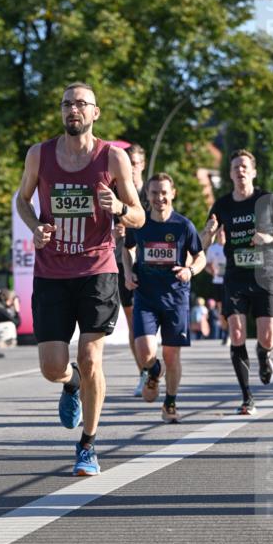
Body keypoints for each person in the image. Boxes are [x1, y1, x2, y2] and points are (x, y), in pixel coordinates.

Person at [16, 81, 144, 475]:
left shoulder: (113, 159)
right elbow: (22, 199)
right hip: (52, 272)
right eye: (67, 104)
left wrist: (120, 207)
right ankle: (69, 385)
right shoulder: (39, 154)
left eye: (82, 104)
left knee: (91, 357)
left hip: (97, 269)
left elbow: (139, 215)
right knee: (52, 367)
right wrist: (36, 226)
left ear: (95, 112)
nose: (74, 110)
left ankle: (88, 444)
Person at [201, 149, 273, 416]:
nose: (240, 170)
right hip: (236, 276)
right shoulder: (222, 205)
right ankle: (246, 397)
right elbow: (205, 239)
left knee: (267, 337)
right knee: (237, 333)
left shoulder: (266, 199)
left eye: (244, 166)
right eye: (235, 167)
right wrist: (207, 234)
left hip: (265, 275)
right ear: (230, 174)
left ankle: (264, 355)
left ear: (253, 172)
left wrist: (271, 238)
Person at [122, 172, 205, 423]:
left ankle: (170, 403)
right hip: (146, 296)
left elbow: (200, 256)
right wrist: (127, 271)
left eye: (164, 192)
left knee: (172, 355)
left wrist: (189, 271)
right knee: (146, 351)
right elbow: (126, 249)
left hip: (175, 298)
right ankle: (153, 371)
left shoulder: (183, 226)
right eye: (155, 193)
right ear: (147, 195)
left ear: (173, 194)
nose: (160, 197)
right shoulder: (140, 223)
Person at [113, 144, 149, 396]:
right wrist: (114, 234)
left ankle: (155, 364)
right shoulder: (116, 193)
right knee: (134, 322)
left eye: (136, 163)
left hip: (152, 264)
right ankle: (144, 373)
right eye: (129, 162)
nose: (133, 167)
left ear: (143, 165)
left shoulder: (153, 191)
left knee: (151, 322)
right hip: (122, 263)